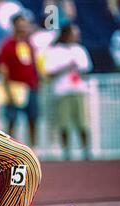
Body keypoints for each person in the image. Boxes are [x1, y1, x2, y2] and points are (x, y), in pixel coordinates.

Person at [44, 24, 93, 160]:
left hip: (78, 89)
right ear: (66, 34)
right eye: (73, 33)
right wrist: (66, 66)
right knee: (63, 123)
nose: (76, 36)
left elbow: (87, 68)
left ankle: (86, 150)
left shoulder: (80, 50)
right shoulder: (54, 50)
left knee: (82, 122)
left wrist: (76, 67)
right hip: (62, 91)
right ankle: (66, 151)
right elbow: (49, 71)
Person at [0, 14, 39, 146]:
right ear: (14, 25)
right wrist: (8, 90)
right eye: (21, 24)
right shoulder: (7, 45)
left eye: (25, 24)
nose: (23, 27)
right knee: (11, 120)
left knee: (32, 119)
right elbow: (3, 69)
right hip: (14, 87)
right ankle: (10, 149)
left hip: (31, 87)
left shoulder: (29, 44)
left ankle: (32, 148)